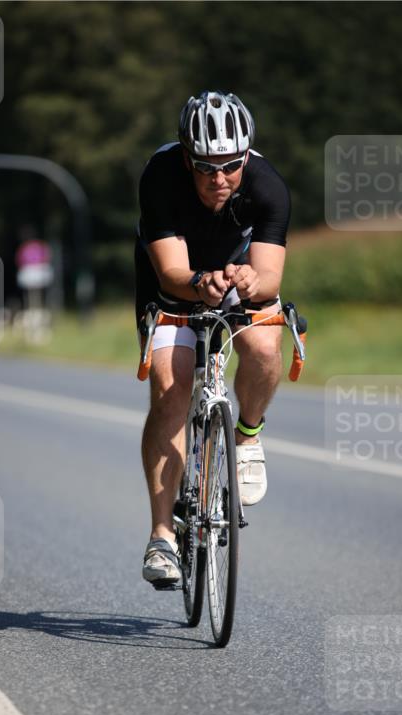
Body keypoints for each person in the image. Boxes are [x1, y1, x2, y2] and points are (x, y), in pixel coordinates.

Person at [136, 91, 291, 586]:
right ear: (187, 158)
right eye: (205, 167)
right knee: (171, 386)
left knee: (266, 347)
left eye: (230, 165)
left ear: (245, 156)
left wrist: (249, 281)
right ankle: (162, 535)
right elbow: (170, 273)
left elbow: (269, 278)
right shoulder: (161, 176)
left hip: (234, 274)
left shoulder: (268, 187)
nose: (219, 179)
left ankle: (246, 436)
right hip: (174, 283)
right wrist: (200, 283)